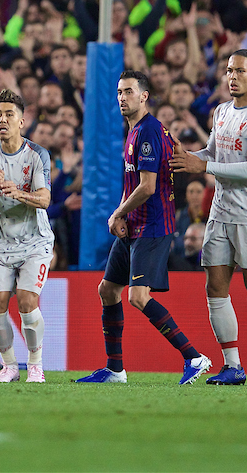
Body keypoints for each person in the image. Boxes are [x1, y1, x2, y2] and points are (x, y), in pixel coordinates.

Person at [76, 71, 212, 385]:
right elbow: (132, 183)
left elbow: (148, 187)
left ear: (144, 96)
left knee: (138, 296)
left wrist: (116, 214)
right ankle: (115, 370)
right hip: (134, 224)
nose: (122, 97)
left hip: (153, 226)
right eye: (119, 92)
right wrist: (123, 215)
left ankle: (194, 357)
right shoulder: (134, 130)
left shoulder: (149, 131)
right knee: (107, 290)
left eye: (128, 92)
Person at [172, 49, 247, 387]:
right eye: (228, 71)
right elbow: (214, 153)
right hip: (219, 213)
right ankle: (232, 366)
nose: (232, 77)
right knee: (215, 288)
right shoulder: (220, 111)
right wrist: (189, 156)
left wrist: (202, 166)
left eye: (239, 71)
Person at [0, 90, 53, 383]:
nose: (2, 120)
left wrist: (18, 191)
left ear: (22, 121)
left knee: (28, 302)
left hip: (35, 241)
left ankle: (35, 365)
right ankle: (9, 366)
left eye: (9, 115)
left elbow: (44, 199)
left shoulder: (37, 154)